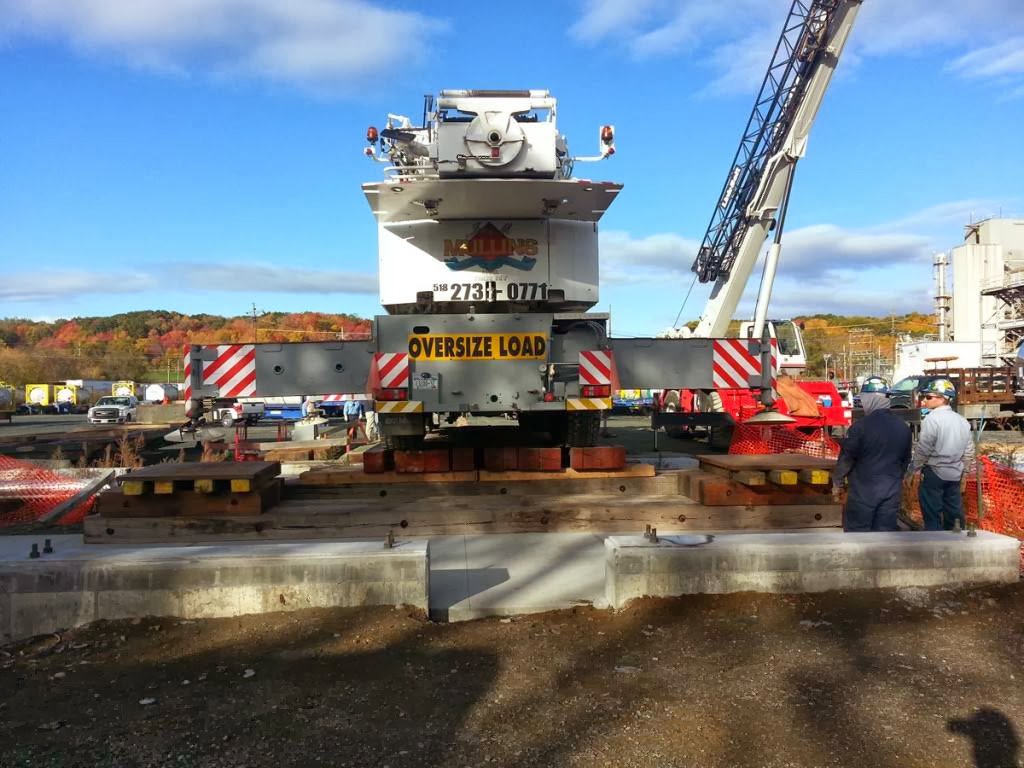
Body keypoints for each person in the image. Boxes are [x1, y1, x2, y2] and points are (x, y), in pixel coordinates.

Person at [832, 379, 912, 531]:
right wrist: (895, 479)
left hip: (863, 491)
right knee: (885, 536)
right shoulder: (903, 427)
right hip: (891, 490)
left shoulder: (860, 427)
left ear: (869, 399)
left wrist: (838, 482)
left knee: (858, 536)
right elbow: (906, 460)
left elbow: (847, 459)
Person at [908, 378, 974, 531]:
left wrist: (912, 470)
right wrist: (965, 472)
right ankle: (957, 546)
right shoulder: (962, 421)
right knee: (954, 515)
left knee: (932, 516)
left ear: (943, 398)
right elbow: (969, 451)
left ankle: (935, 547)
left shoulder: (932, 419)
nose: (925, 400)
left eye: (929, 397)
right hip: (955, 474)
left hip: (934, 473)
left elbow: (924, 448)